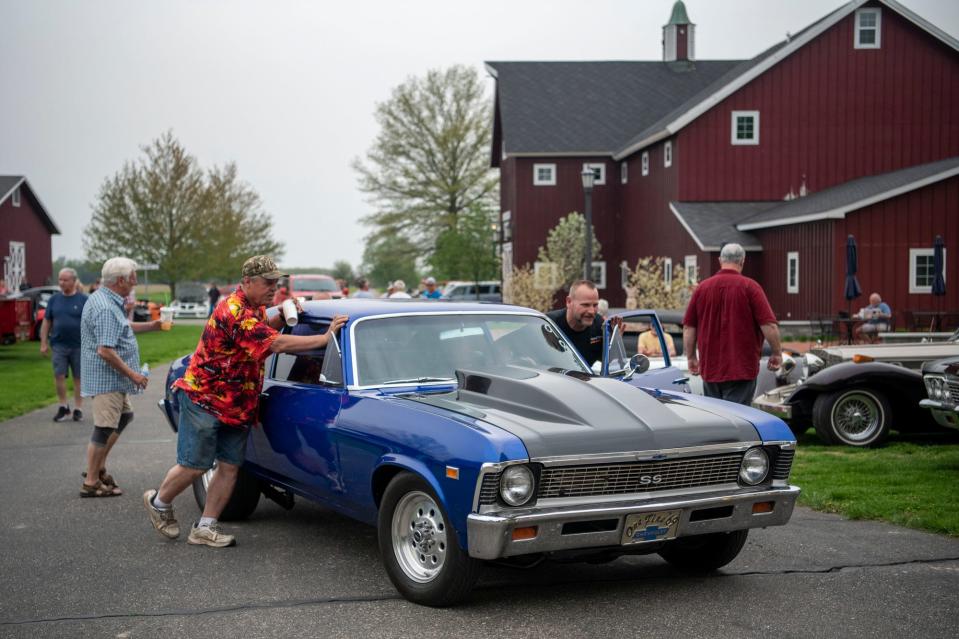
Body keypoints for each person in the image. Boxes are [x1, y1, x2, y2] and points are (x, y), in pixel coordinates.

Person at [144, 255, 348, 547]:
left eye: (276, 283)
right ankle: (159, 503)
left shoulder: (254, 309)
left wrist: (282, 315)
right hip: (206, 397)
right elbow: (275, 343)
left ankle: (205, 527)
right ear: (247, 282)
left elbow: (264, 325)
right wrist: (324, 338)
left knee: (229, 467)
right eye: (267, 283)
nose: (273, 289)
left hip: (238, 402)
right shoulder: (234, 310)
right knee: (195, 464)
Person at [79, 257, 162, 497]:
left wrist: (153, 325)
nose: (135, 281)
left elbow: (122, 327)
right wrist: (134, 375)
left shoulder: (106, 299)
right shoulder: (105, 306)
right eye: (134, 277)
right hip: (107, 379)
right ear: (122, 280)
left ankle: (97, 467)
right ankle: (92, 481)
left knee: (125, 416)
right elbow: (105, 350)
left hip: (111, 379)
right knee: (103, 428)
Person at [683, 243, 782, 405]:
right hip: (741, 368)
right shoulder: (751, 287)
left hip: (711, 368)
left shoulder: (702, 289)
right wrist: (777, 353)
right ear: (742, 261)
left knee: (716, 417)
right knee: (738, 419)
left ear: (720, 260)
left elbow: (689, 327)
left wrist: (691, 357)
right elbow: (769, 325)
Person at [40, 268, 88, 422]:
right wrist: (43, 343)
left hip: (79, 345)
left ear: (74, 281)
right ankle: (63, 406)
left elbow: (91, 323)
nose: (61, 283)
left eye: (65, 280)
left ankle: (78, 408)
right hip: (59, 344)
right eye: (60, 279)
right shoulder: (54, 300)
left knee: (78, 378)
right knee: (59, 375)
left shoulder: (83, 299)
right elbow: (47, 321)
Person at [547, 280, 620, 367]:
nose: (592, 311)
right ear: (569, 302)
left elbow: (610, 365)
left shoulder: (600, 326)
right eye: (585, 305)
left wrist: (614, 342)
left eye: (595, 305)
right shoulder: (548, 323)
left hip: (586, 379)